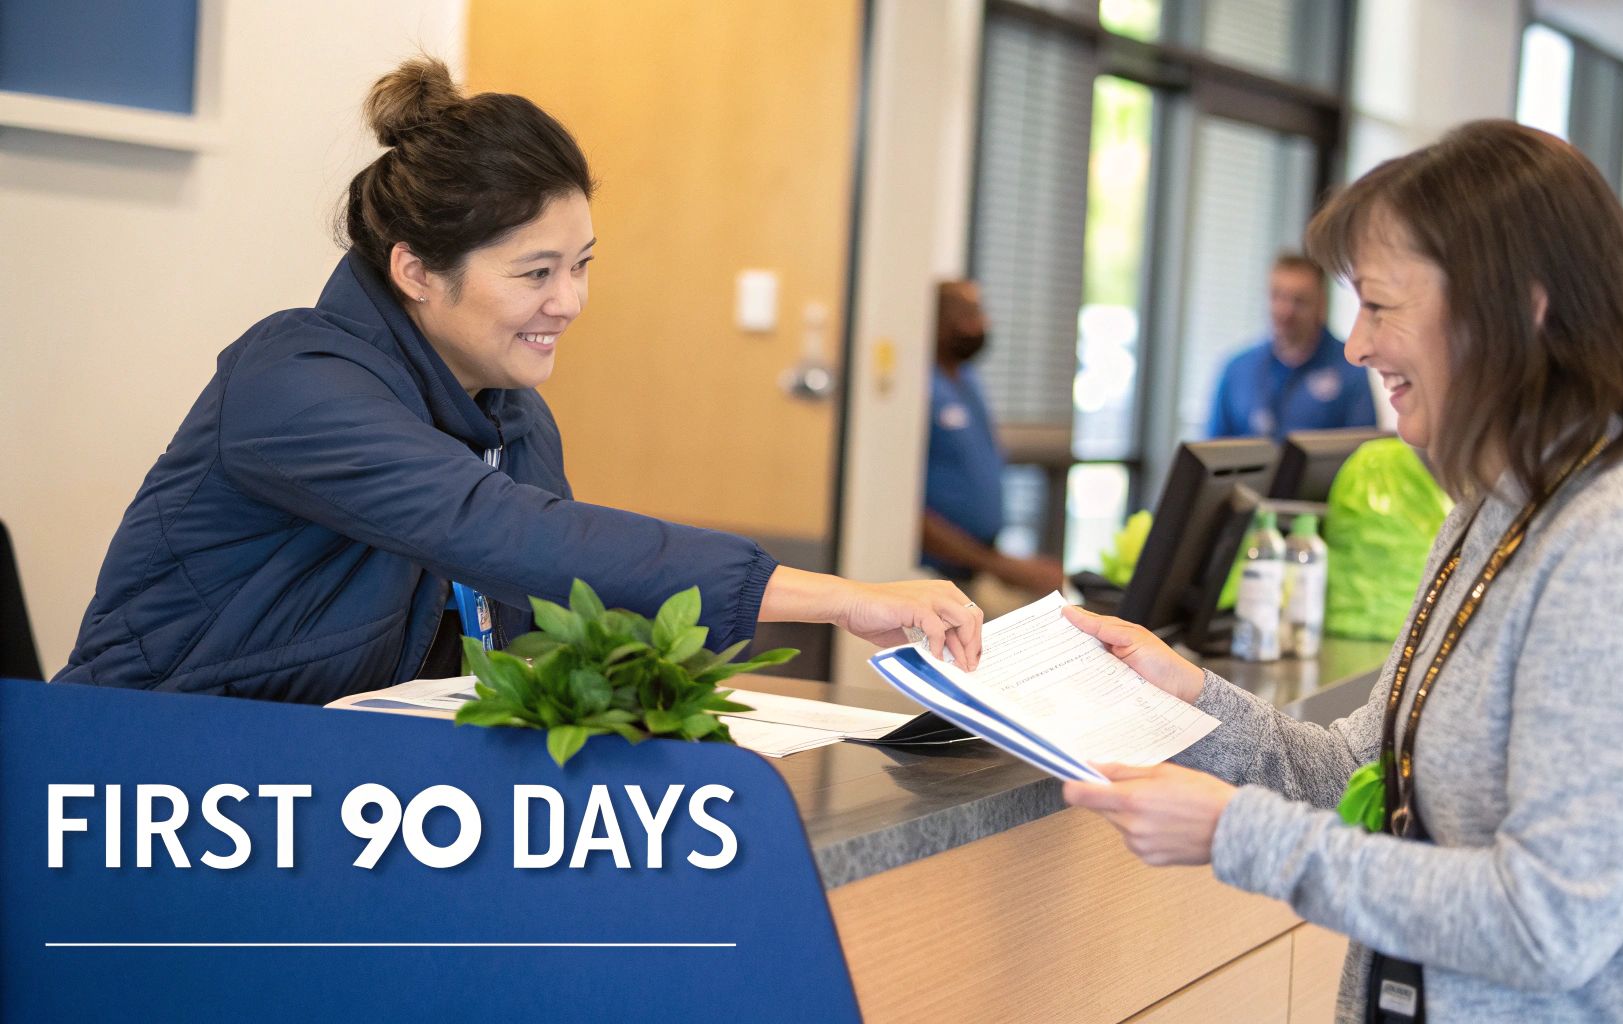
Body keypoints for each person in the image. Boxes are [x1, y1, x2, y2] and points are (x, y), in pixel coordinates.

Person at [1062, 120, 1623, 1021]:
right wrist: (1187, 698)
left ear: (1517, 307)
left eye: (1380, 305)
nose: (1356, 348)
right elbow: (1364, 773)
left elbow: (1545, 923)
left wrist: (1234, 834)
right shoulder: (1496, 506)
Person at [54, 58, 982, 704]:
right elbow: (502, 533)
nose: (570, 301)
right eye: (536, 273)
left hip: (337, 787)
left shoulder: (514, 416)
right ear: (416, 271)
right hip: (141, 773)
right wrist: (844, 597)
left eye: (581, 263)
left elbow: (556, 616)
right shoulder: (291, 380)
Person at [920, 280, 1064, 602]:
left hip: (978, 567)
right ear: (935, 320)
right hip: (934, 574)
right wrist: (1002, 566)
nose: (981, 325)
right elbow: (908, 510)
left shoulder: (968, 381)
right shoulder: (920, 388)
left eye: (980, 313)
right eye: (967, 315)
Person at [1206, 253, 1378, 439]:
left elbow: (1362, 449)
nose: (1286, 311)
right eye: (1277, 296)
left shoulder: (1349, 369)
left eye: (1299, 301)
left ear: (1321, 305)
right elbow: (1212, 451)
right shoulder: (1237, 369)